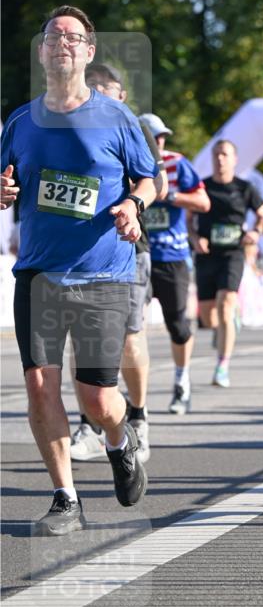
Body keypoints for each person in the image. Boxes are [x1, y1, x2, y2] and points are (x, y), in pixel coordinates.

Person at [0, 5, 159, 534]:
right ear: (42, 51)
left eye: (73, 37)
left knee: (96, 396)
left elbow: (149, 180)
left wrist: (133, 206)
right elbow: (6, 183)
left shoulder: (117, 119)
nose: (62, 42)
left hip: (103, 274)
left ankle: (120, 438)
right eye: (53, 36)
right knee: (40, 387)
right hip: (39, 274)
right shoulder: (21, 122)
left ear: (88, 52)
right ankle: (65, 497)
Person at [70, 62, 167, 463]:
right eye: (90, 86)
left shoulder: (132, 126)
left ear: (122, 95)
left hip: (126, 250)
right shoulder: (68, 126)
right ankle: (90, 424)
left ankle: (139, 419)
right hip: (76, 252)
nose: (97, 94)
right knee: (80, 343)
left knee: (129, 338)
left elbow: (156, 183)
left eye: (105, 88)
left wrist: (129, 198)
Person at [139, 113, 210, 413]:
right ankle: (133, 393)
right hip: (136, 255)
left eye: (162, 137)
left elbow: (204, 203)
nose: (160, 143)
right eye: (153, 138)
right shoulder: (126, 161)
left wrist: (172, 196)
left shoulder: (177, 163)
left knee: (178, 326)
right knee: (131, 327)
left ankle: (182, 382)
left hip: (172, 257)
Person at [189, 139, 263, 388]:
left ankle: (222, 365)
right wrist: (194, 238)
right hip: (207, 254)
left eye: (225, 154)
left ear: (234, 159)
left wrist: (255, 232)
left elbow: (262, 213)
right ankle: (228, 323)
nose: (220, 159)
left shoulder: (244, 188)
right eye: (216, 155)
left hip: (233, 254)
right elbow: (189, 217)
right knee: (209, 317)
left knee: (226, 303)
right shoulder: (203, 187)